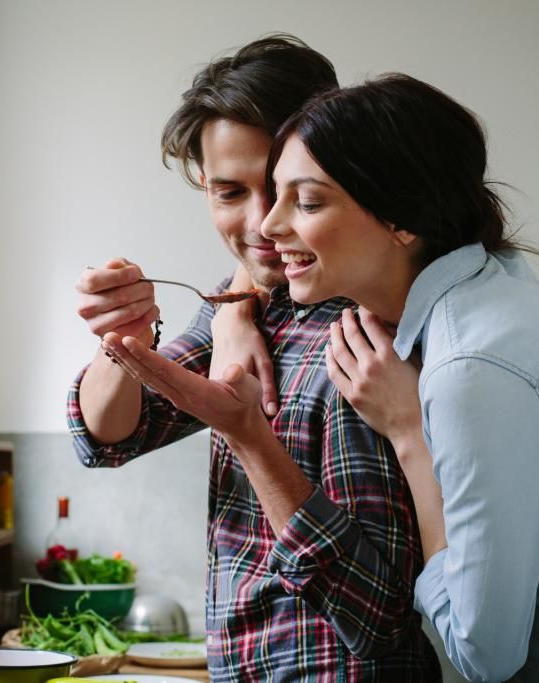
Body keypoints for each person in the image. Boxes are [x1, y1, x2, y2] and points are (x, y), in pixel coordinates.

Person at [106, 73, 539, 681]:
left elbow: (480, 651)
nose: (269, 227)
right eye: (245, 192)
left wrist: (410, 433)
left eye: (307, 200)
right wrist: (235, 307)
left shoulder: (469, 366)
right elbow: (101, 434)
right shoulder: (493, 291)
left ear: (402, 218)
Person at [70, 37, 441, 680]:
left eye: (281, 189)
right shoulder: (245, 306)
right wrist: (125, 337)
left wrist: (249, 438)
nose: (260, 224)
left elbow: (378, 617)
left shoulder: (371, 327)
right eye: (227, 192)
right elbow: (105, 435)